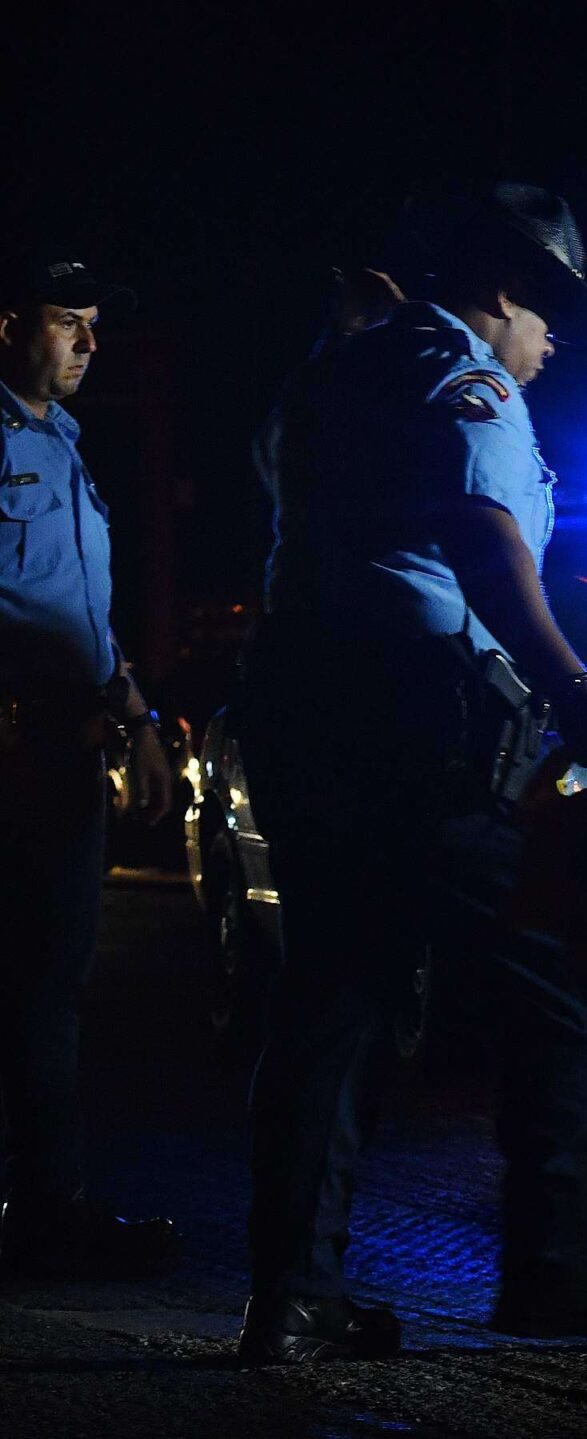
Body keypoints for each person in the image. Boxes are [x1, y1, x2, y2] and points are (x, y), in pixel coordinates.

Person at [233, 182, 587, 1363]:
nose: (549, 353)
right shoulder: (467, 380)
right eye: (548, 321)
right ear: (504, 293)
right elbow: (487, 541)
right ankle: (555, 1266)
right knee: (558, 983)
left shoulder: (343, 367)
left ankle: (290, 1300)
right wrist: (578, 693)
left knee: (332, 1003)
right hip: (422, 728)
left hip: (310, 710)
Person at [0, 249, 183, 1280]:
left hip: (63, 750)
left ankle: (46, 1207)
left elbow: (78, 610)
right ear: (7, 323)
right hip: (12, 742)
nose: (88, 344)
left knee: (48, 986)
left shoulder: (63, 443)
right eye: (68, 320)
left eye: (94, 323)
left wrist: (141, 717)